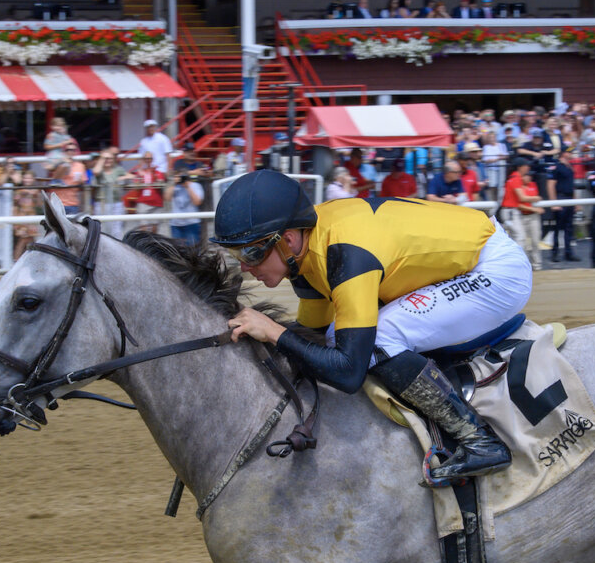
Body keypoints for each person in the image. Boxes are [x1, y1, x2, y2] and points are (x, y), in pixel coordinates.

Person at [213, 170, 531, 481]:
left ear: (289, 240)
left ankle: (480, 440)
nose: (244, 266)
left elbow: (349, 371)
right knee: (333, 334)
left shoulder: (344, 254)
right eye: (235, 253)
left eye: (251, 251)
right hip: (468, 257)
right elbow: (311, 337)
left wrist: (272, 330)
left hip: (496, 272)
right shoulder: (307, 250)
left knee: (380, 338)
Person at [499, 160, 543, 270]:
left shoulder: (512, 177)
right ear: (520, 167)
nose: (528, 168)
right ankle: (518, 265)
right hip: (510, 211)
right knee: (520, 237)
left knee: (517, 238)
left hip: (510, 211)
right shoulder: (515, 179)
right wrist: (536, 198)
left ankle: (516, 265)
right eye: (526, 166)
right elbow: (522, 198)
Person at [544, 147, 580, 262]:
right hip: (560, 197)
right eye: (569, 152)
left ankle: (568, 252)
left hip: (568, 198)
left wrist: (576, 202)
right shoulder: (557, 166)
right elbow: (550, 185)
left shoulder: (569, 167)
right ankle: (555, 253)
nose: (571, 154)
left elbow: (571, 186)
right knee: (557, 228)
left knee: (569, 228)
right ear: (564, 154)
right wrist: (554, 202)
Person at [91, 150, 133, 239]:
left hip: (116, 203)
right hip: (102, 204)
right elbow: (95, 171)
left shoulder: (118, 169)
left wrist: (122, 178)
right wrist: (101, 160)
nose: (107, 160)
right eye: (105, 158)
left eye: (109, 158)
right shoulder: (100, 170)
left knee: (117, 230)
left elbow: (131, 176)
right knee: (102, 229)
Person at [165, 174, 206, 244]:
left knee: (193, 250)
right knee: (178, 251)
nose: (179, 179)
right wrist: (174, 184)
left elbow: (197, 202)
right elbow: (167, 198)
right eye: (177, 176)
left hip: (191, 223)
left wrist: (188, 187)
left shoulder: (196, 185)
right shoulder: (173, 187)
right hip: (176, 224)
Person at [49, 143, 87, 215]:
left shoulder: (80, 166)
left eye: (73, 150)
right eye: (68, 150)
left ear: (75, 152)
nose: (70, 152)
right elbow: (52, 173)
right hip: (57, 203)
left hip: (73, 203)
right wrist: (64, 163)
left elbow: (83, 182)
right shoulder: (58, 163)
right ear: (64, 152)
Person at [12, 172, 40, 261]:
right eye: (25, 178)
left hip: (31, 217)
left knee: (31, 240)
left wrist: (36, 195)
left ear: (33, 180)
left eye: (29, 178)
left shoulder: (36, 192)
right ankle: (16, 260)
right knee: (22, 240)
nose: (27, 180)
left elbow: (39, 204)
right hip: (22, 217)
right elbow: (15, 204)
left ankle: (33, 259)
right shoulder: (19, 190)